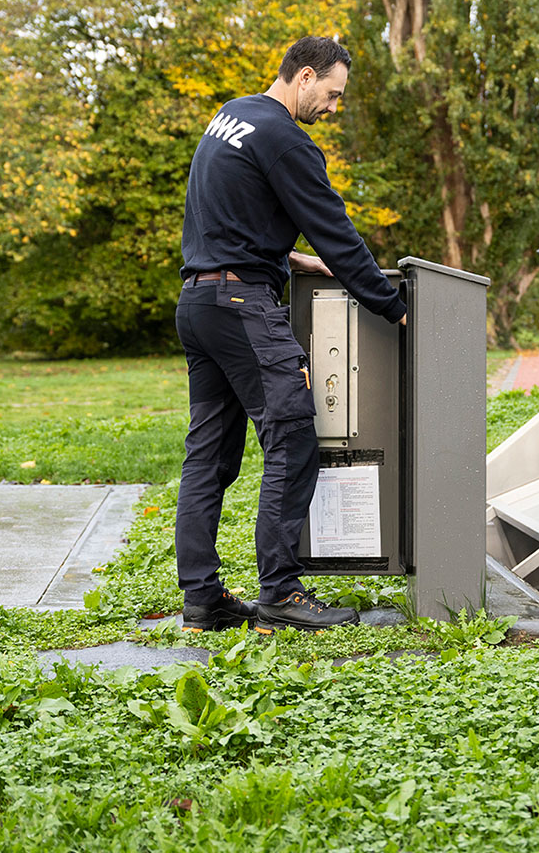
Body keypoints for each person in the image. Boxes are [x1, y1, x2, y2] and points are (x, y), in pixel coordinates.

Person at [175, 36, 407, 632]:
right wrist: (392, 305)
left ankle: (201, 599)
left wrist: (289, 261)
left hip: (200, 301)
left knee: (208, 458)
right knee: (293, 435)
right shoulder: (285, 139)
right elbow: (337, 232)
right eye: (331, 94)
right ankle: (280, 593)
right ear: (305, 77)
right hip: (241, 308)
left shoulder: (232, 114)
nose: (333, 108)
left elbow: (228, 213)